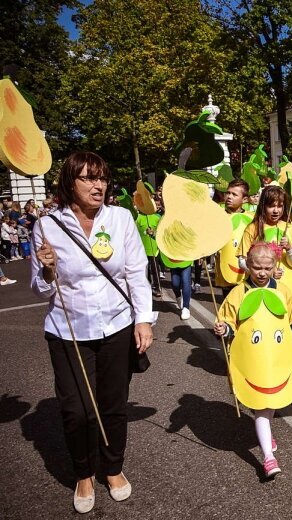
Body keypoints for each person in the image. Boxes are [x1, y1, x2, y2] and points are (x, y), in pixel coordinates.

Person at [30, 151, 154, 513]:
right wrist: (48, 271)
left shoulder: (120, 218)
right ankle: (83, 473)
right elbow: (40, 289)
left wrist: (143, 319)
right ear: (70, 183)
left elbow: (135, 272)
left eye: (102, 178)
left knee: (113, 406)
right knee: (77, 410)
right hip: (67, 330)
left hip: (116, 325)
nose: (98, 185)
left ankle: (113, 467)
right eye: (88, 178)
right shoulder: (48, 225)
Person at [214, 242, 292, 478]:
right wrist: (224, 330)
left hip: (276, 358)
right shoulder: (238, 293)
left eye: (267, 267)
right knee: (260, 406)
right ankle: (268, 458)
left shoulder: (283, 291)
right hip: (253, 360)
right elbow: (230, 324)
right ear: (247, 266)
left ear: (274, 266)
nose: (262, 273)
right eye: (256, 268)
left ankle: (266, 432)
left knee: (271, 402)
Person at [238, 185, 292, 334]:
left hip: (288, 289)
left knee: (291, 331)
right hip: (261, 288)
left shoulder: (290, 229)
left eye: (280, 206)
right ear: (263, 206)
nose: (276, 211)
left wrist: (290, 248)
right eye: (271, 206)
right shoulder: (253, 229)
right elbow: (242, 261)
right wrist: (264, 273)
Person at [215, 178, 251, 297]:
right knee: (228, 306)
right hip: (226, 268)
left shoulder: (251, 219)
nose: (229, 197)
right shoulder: (218, 215)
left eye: (234, 194)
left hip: (247, 271)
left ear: (244, 199)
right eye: (228, 193)